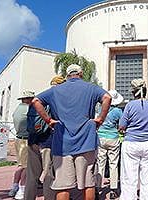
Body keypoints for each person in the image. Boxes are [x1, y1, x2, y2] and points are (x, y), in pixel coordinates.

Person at [32, 64, 112, 200]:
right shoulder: (91, 88)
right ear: (80, 73)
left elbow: (35, 100)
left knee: (63, 185)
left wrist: (49, 120)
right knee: (88, 183)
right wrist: (100, 119)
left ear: (67, 75)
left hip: (62, 143)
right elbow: (107, 98)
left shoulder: (55, 90)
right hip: (86, 140)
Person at [119, 79, 148, 200]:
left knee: (129, 177)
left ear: (133, 92)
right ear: (146, 91)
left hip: (131, 143)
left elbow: (122, 126)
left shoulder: (129, 106)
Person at [24, 75, 65, 200]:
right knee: (48, 174)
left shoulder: (37, 99)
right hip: (47, 141)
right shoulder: (57, 100)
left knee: (31, 175)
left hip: (32, 140)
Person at [96, 90, 123, 199]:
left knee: (100, 163)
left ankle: (97, 188)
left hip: (101, 137)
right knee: (113, 163)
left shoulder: (99, 108)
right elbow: (121, 126)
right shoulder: (118, 111)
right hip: (113, 138)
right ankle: (113, 189)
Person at [8, 90, 35, 199]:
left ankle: (14, 186)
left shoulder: (18, 109)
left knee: (20, 165)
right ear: (29, 99)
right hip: (26, 140)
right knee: (25, 167)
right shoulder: (28, 109)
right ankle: (22, 189)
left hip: (18, 139)